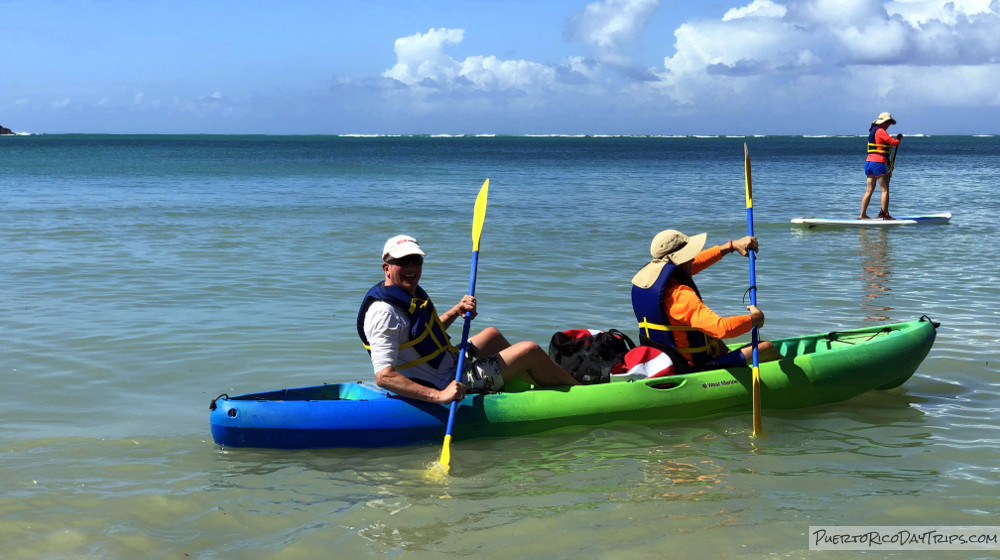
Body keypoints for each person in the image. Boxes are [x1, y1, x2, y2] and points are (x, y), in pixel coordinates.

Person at [358, 234, 579, 404]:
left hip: (450, 363)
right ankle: (580, 392)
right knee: (528, 350)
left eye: (416, 260)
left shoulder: (409, 294)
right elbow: (384, 377)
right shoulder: (384, 313)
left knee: (491, 335)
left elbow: (425, 336)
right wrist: (440, 396)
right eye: (403, 262)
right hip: (444, 382)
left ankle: (534, 383)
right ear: (386, 268)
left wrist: (456, 310)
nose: (411, 268)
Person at [630, 229, 782, 372]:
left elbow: (693, 265)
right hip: (691, 369)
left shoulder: (649, 282)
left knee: (710, 337)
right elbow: (722, 329)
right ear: (682, 260)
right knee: (766, 347)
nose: (693, 259)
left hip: (662, 362)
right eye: (690, 256)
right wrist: (755, 319)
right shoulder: (680, 295)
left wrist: (732, 246)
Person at [860, 112, 903, 220]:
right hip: (879, 163)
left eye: (890, 123)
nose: (888, 125)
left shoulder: (873, 131)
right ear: (882, 122)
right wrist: (898, 139)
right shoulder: (880, 131)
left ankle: (863, 215)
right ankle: (885, 215)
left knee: (869, 190)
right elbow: (893, 143)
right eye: (887, 122)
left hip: (869, 162)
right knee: (885, 190)